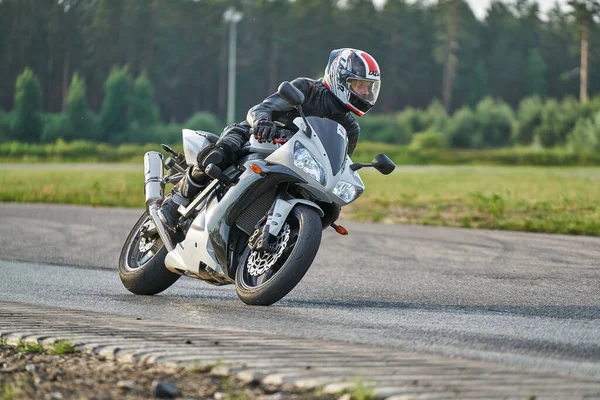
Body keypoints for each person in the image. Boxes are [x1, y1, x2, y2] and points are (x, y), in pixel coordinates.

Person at [158, 48, 381, 231]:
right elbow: (262, 108)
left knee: (330, 206)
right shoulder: (307, 88)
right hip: (258, 138)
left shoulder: (350, 128)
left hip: (296, 163)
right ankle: (175, 201)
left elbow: (337, 162)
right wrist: (263, 122)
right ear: (340, 79)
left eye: (368, 88)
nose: (364, 92)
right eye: (359, 85)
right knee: (219, 154)